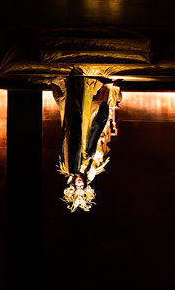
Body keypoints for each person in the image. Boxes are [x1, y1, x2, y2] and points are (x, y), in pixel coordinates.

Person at [49, 69, 122, 212]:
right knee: (95, 112)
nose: (79, 184)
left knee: (73, 108)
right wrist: (91, 155)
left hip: (77, 132)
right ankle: (102, 86)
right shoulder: (91, 172)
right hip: (89, 135)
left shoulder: (69, 168)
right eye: (81, 186)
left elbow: (66, 144)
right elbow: (98, 153)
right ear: (85, 185)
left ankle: (73, 83)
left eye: (77, 186)